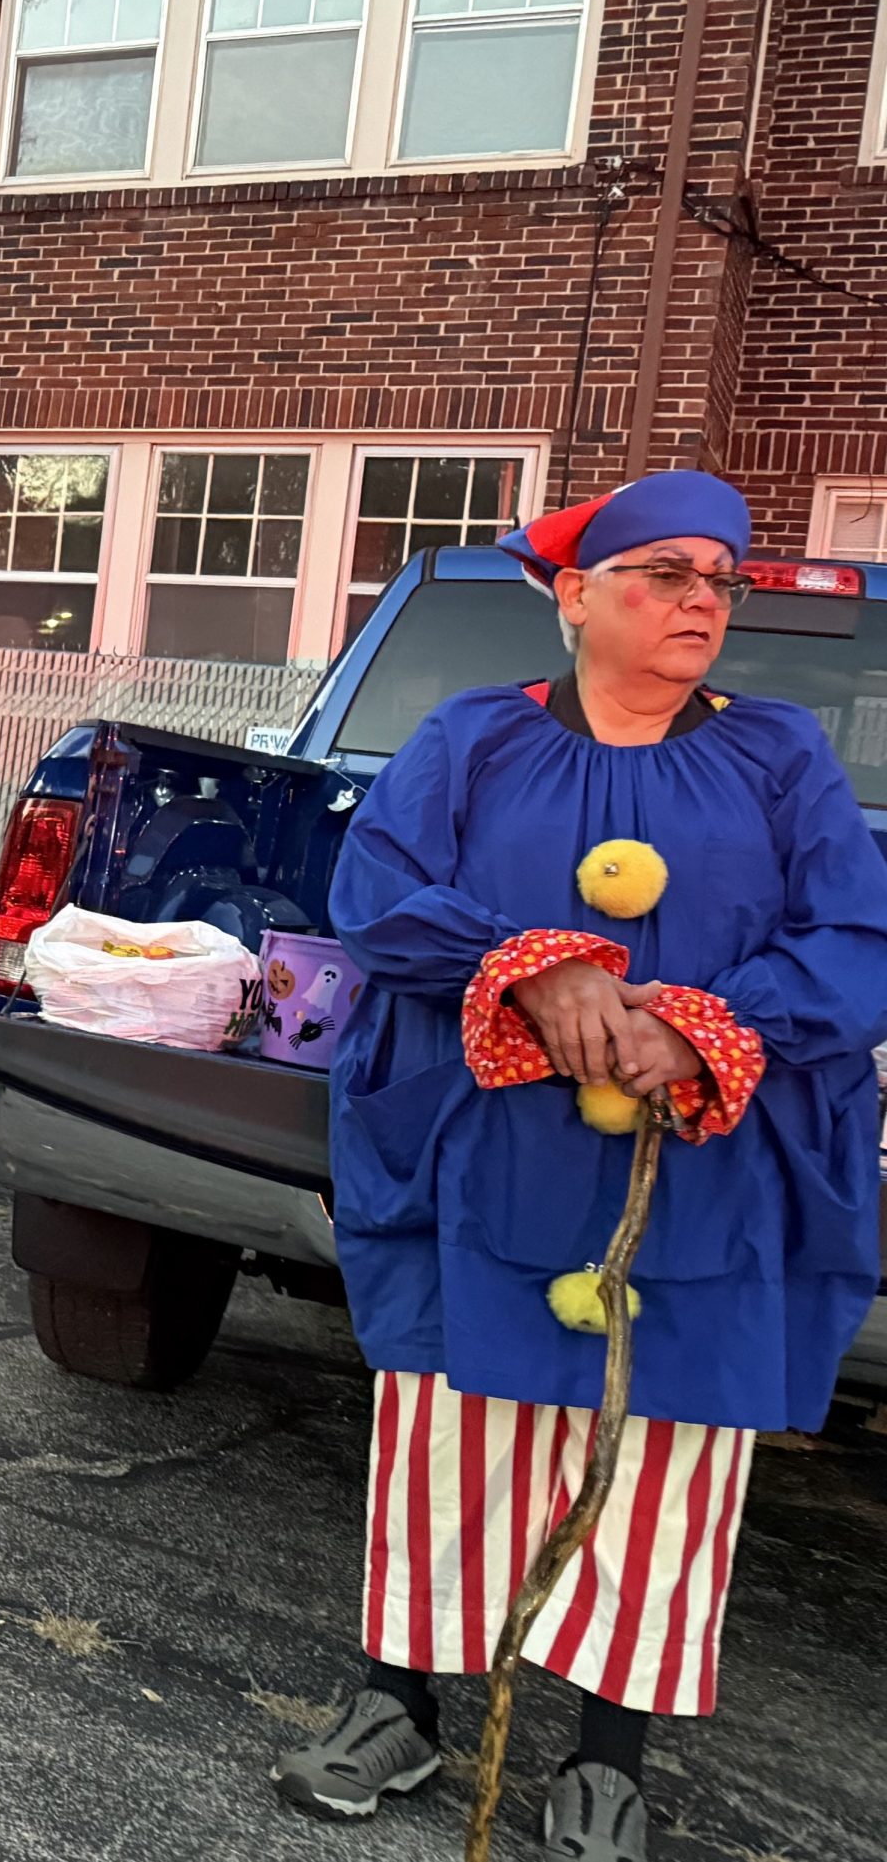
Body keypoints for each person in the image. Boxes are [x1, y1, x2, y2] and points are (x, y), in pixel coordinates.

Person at [273, 471, 887, 1860]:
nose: (699, 600)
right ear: (575, 596)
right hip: (490, 1163)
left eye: (719, 581)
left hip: (700, 1185)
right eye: (665, 572)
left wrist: (702, 1022)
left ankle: (611, 1750)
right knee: (451, 1435)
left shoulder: (782, 757)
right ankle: (401, 1703)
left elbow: (856, 944)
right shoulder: (475, 738)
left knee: (666, 1452)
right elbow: (378, 889)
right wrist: (530, 971)